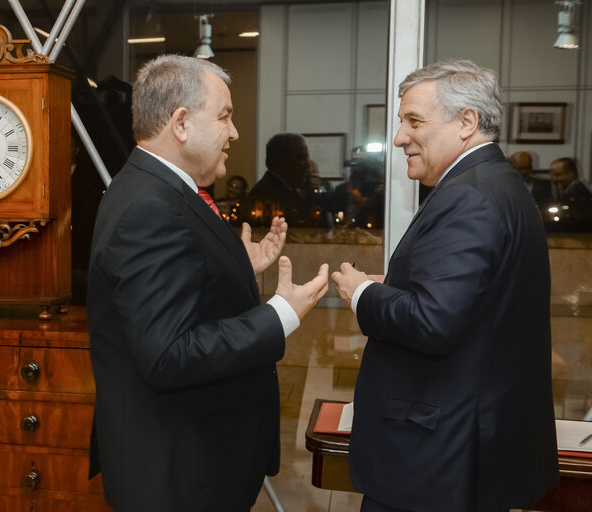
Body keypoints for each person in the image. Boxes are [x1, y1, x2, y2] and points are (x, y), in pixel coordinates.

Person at [86, 54, 329, 512]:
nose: (234, 133)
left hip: (196, 457)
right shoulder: (150, 207)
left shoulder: (156, 187)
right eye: (225, 116)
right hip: (178, 474)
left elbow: (179, 283)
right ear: (181, 123)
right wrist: (281, 314)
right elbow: (166, 354)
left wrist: (239, 265)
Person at [332, 59, 558, 512]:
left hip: (437, 458)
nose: (399, 137)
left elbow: (433, 321)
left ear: (467, 123)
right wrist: (394, 283)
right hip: (468, 445)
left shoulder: (468, 195)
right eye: (401, 122)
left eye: (414, 121)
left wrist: (362, 292)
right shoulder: (497, 183)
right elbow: (474, 298)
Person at [240, 133, 331, 228]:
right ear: (281, 161)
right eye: (301, 158)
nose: (308, 164)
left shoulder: (288, 189)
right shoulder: (265, 194)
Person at [547, 156, 592, 232]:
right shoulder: (572, 191)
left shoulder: (580, 194)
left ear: (572, 173)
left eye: (558, 174)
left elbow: (572, 224)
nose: (554, 179)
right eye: (552, 175)